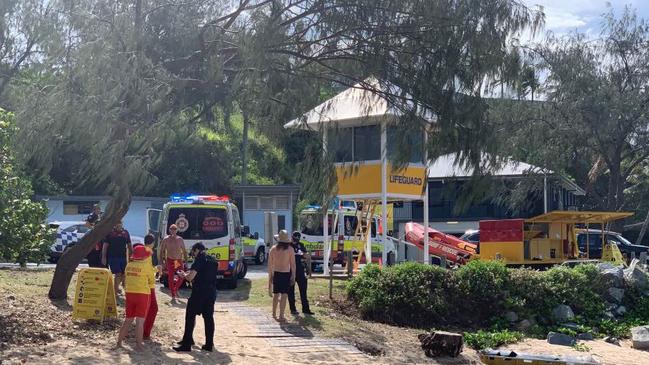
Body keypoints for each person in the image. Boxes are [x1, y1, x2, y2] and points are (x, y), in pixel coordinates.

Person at [173, 242, 218, 352]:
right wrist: (189, 273)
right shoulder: (212, 259)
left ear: (197, 250)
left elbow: (190, 277)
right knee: (208, 318)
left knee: (190, 315)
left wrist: (184, 275)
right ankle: (209, 344)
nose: (193, 255)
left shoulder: (200, 258)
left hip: (199, 292)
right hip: (211, 291)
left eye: (193, 252)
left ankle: (187, 344)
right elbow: (203, 273)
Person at [116, 245, 154, 352]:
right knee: (140, 322)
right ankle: (139, 345)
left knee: (128, 320)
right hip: (142, 295)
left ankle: (119, 342)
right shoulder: (146, 266)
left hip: (129, 294)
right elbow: (151, 280)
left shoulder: (129, 265)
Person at [268, 230, 296, 322]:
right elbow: (292, 265)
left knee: (276, 294)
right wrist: (293, 275)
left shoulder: (273, 249)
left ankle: (273, 313)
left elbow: (270, 265)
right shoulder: (290, 249)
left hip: (276, 273)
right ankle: (281, 315)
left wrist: (271, 276)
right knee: (284, 295)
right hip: (285, 274)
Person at [102, 221, 133, 296]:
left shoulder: (125, 233)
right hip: (113, 257)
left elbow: (129, 245)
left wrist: (131, 256)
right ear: (114, 225)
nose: (118, 225)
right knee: (118, 274)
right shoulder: (110, 233)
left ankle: (116, 288)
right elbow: (105, 246)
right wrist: (104, 257)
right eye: (117, 224)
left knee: (124, 274)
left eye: (120, 224)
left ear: (122, 224)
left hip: (123, 257)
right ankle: (114, 293)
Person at [158, 224, 187, 301]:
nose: (173, 230)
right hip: (170, 260)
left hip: (177, 261)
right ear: (169, 230)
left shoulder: (180, 239)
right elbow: (161, 251)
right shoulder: (166, 239)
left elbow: (184, 251)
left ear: (177, 230)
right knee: (170, 278)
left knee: (181, 276)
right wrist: (162, 262)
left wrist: (186, 261)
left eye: (174, 229)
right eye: (171, 229)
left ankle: (175, 289)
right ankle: (173, 295)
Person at [287, 231, 313, 315]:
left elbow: (306, 255)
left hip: (300, 270)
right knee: (291, 291)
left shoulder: (301, 245)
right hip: (290, 270)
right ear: (292, 237)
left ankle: (306, 309)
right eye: (295, 237)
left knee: (303, 290)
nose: (296, 239)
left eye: (298, 237)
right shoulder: (288, 245)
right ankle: (293, 309)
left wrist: (305, 255)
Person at [142, 234, 158, 340]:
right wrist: (157, 269)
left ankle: (144, 331)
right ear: (153, 243)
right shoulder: (148, 252)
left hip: (143, 283)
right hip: (148, 284)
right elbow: (148, 270)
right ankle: (145, 332)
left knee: (147, 309)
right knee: (153, 308)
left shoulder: (141, 251)